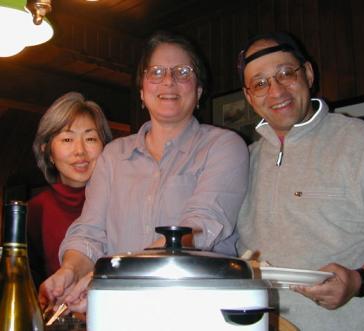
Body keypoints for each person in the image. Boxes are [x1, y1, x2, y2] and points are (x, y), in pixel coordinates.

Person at [39, 30, 249, 313]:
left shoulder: (224, 146)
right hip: (120, 313)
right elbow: (89, 232)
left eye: (183, 72)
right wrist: (72, 270)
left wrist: (114, 274)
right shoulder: (113, 156)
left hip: (200, 311)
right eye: (157, 71)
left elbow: (198, 227)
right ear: (141, 91)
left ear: (198, 91)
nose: (169, 80)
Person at [236, 31, 364, 331]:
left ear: (308, 74)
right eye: (260, 83)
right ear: (249, 96)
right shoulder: (242, 159)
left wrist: (359, 280)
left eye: (286, 73)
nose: (275, 91)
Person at [28, 92, 112, 288]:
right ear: (47, 152)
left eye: (90, 139)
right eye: (67, 140)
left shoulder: (121, 201)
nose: (80, 151)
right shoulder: (35, 211)